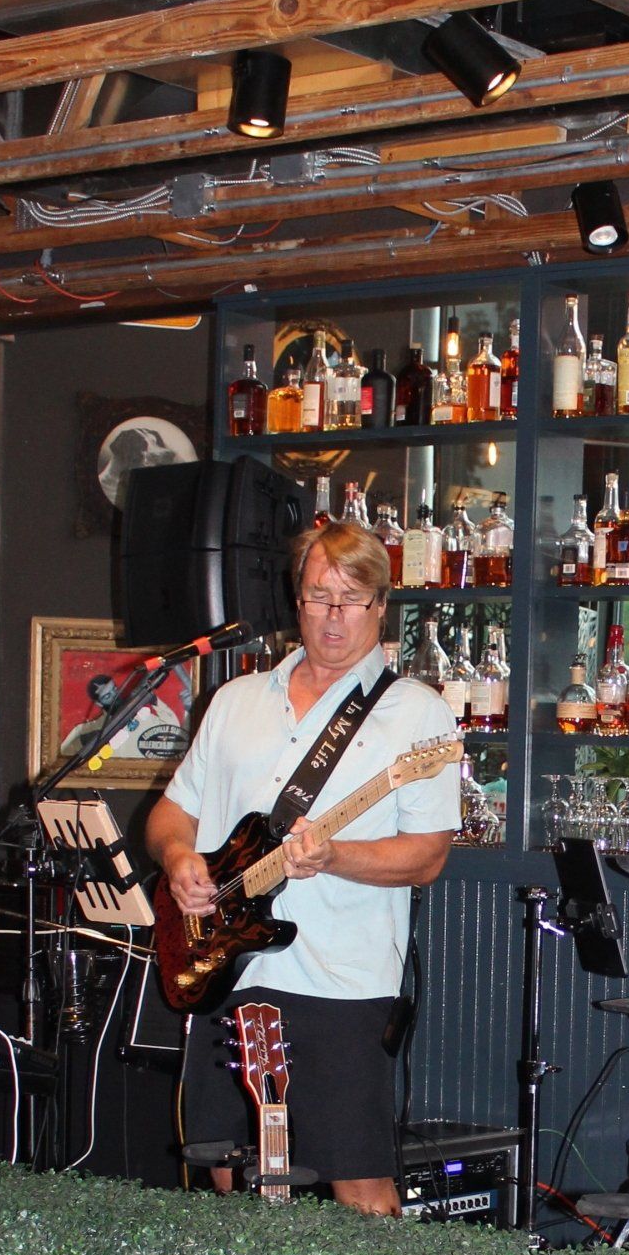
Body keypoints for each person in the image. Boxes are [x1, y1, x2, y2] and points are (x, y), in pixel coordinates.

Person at [148, 520, 460, 1215]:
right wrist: (179, 861)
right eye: (320, 596)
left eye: (352, 600)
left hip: (341, 984)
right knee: (227, 1172)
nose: (334, 617)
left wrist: (334, 856)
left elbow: (428, 857)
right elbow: (172, 816)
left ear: (382, 606)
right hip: (226, 971)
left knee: (359, 1182)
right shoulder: (234, 703)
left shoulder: (415, 716)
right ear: (298, 601)